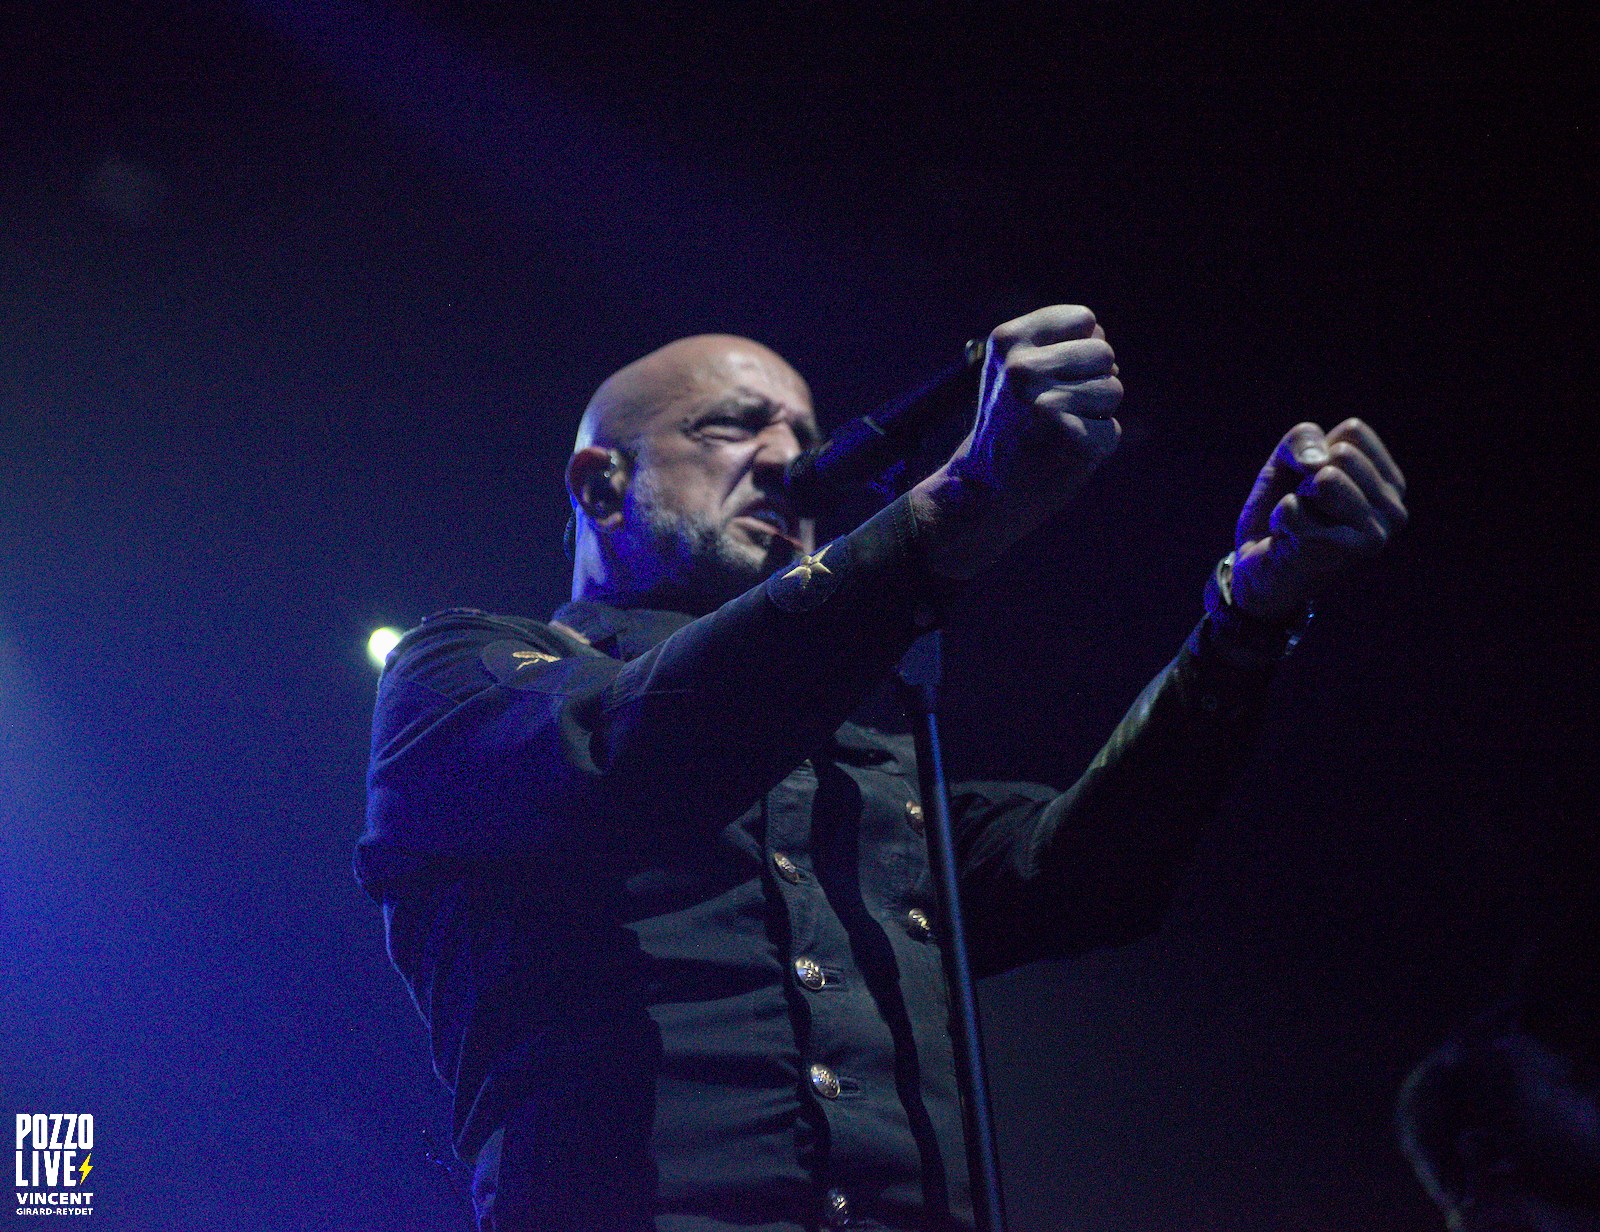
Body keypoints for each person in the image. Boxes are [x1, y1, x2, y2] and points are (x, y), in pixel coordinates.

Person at [357, 305, 1408, 1230]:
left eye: (805, 437)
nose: (783, 459)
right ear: (602, 480)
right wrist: (959, 505)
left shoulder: (866, 765)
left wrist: (1246, 619)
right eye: (732, 424)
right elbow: (636, 748)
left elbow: (1088, 870)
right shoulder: (458, 676)